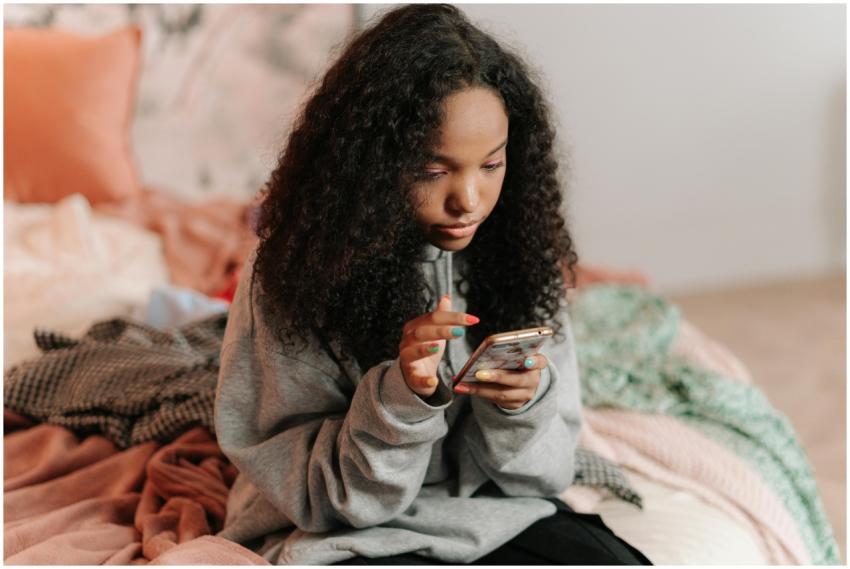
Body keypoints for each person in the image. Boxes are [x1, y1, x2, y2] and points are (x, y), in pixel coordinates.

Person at [214, 4, 652, 565]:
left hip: (497, 515)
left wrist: (522, 409)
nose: (468, 200)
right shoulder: (290, 272)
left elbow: (544, 475)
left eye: (490, 165)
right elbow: (322, 501)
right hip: (345, 533)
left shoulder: (521, 250)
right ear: (368, 164)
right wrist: (401, 400)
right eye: (432, 171)